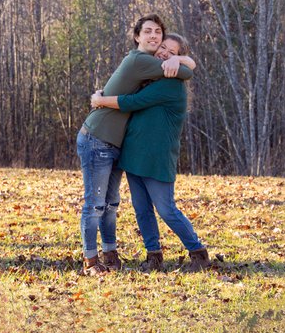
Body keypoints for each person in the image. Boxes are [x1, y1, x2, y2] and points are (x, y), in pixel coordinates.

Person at [92, 31, 222, 271]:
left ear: (179, 58)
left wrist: (101, 101)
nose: (164, 53)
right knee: (142, 210)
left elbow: (132, 102)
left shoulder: (172, 85)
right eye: (163, 48)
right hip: (134, 155)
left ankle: (198, 253)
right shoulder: (152, 76)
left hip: (157, 159)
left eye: (172, 53)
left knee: (166, 209)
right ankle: (153, 256)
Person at [75, 13, 192, 274]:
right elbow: (186, 72)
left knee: (110, 204)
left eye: (158, 32)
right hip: (98, 138)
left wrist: (178, 57)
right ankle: (91, 261)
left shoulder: (150, 69)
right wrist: (181, 60)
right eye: (148, 32)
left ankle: (110, 254)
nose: (154, 36)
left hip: (114, 143)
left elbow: (182, 69)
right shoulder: (141, 61)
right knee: (95, 204)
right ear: (137, 36)